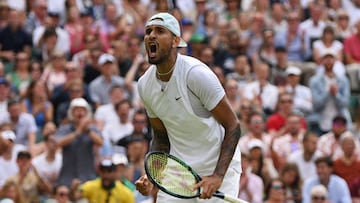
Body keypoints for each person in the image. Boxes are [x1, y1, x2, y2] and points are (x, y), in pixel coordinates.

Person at [135, 12, 242, 202]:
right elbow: (160, 137)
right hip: (178, 172)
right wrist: (154, 177)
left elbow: (233, 125)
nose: (151, 35)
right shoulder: (145, 84)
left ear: (176, 41)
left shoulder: (196, 74)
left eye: (160, 31)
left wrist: (217, 177)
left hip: (218, 169)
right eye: (148, 31)